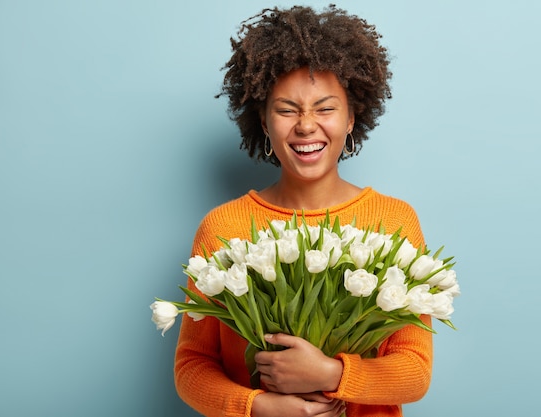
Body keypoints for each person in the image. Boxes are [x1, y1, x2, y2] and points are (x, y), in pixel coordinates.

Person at [175, 5, 433, 417]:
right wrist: (258, 406)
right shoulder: (223, 227)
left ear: (352, 118)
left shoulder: (394, 221)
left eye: (326, 108)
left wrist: (330, 374)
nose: (307, 125)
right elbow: (192, 367)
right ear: (263, 120)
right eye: (286, 109)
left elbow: (415, 371)